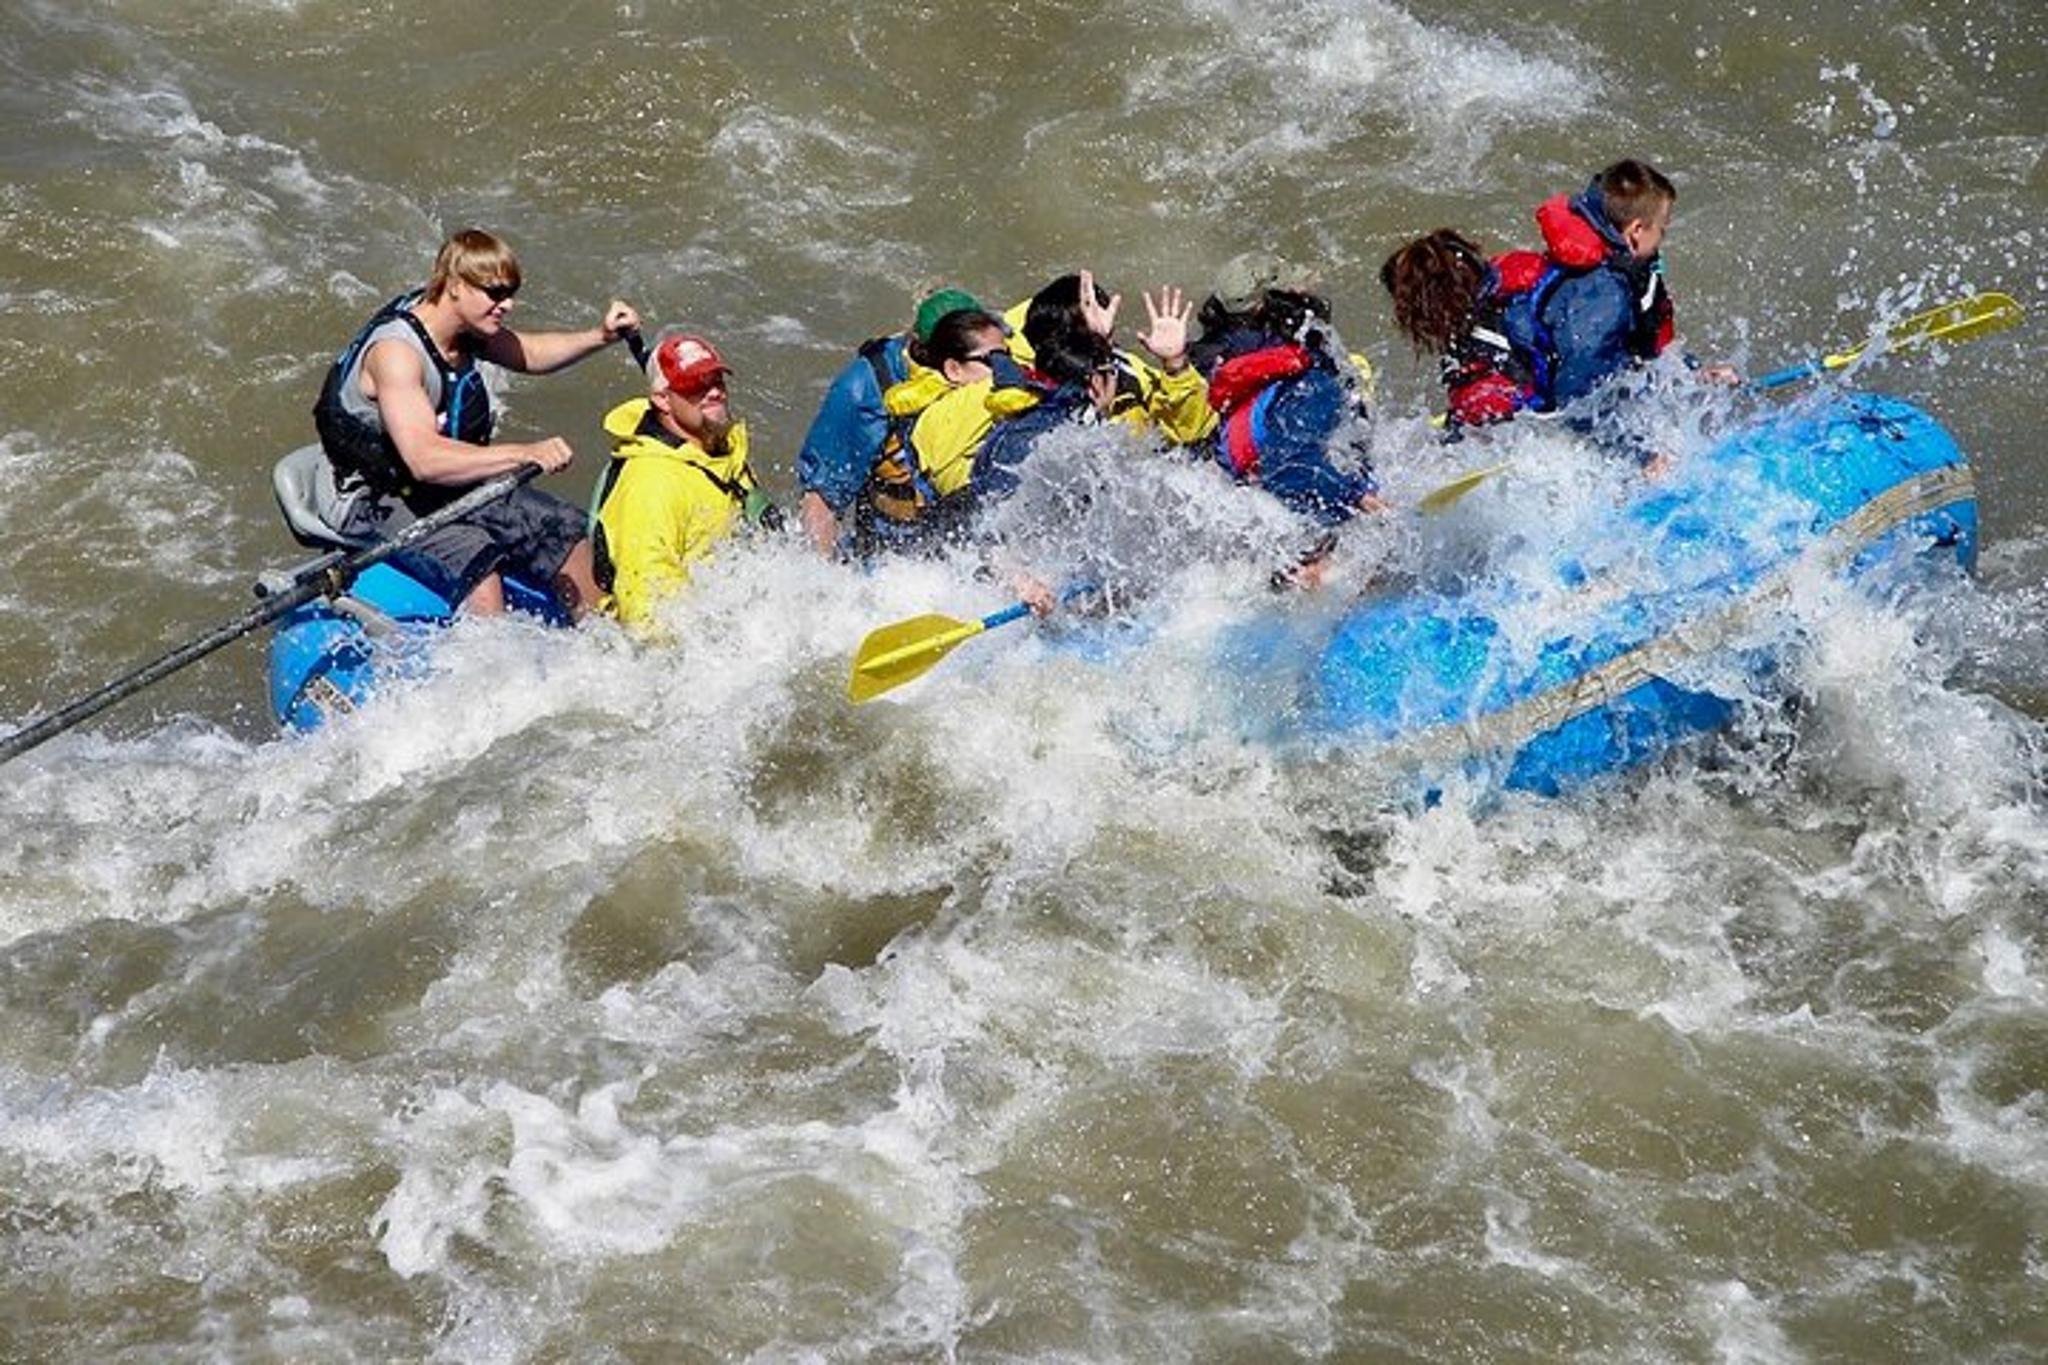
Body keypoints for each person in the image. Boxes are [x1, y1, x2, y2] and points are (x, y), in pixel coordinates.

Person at [312, 227, 639, 617]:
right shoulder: (397, 354)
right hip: (373, 496)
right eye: (495, 293)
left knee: (565, 530)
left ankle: (605, 639)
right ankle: (493, 656)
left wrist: (601, 336)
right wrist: (524, 453)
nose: (507, 304)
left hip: (434, 485)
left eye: (511, 293)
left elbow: (530, 353)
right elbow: (424, 460)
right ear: (454, 286)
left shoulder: (464, 326)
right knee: (480, 565)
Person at [1380, 160, 1737, 441]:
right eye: (1662, 230)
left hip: (1492, 382)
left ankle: (1458, 432)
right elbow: (1578, 393)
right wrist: (1637, 454)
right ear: (1636, 232)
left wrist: (1692, 374)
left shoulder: (1609, 273)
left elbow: (1641, 352)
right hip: (1509, 403)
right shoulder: (1604, 292)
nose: (1663, 239)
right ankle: (1464, 434)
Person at [793, 286, 1003, 558]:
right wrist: (822, 574)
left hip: (969, 535)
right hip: (893, 555)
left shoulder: (995, 373)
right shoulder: (865, 388)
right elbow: (822, 500)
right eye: (990, 361)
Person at [590, 332, 775, 630]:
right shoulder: (651, 483)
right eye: (696, 385)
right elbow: (647, 613)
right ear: (662, 399)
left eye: (717, 380)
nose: (714, 392)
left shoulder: (723, 450)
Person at [1189, 253, 1385, 526]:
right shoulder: (1309, 382)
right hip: (1282, 487)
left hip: (1236, 496)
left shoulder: (1219, 358)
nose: (1311, 288)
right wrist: (1358, 497)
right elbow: (1286, 463)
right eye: (1298, 286)